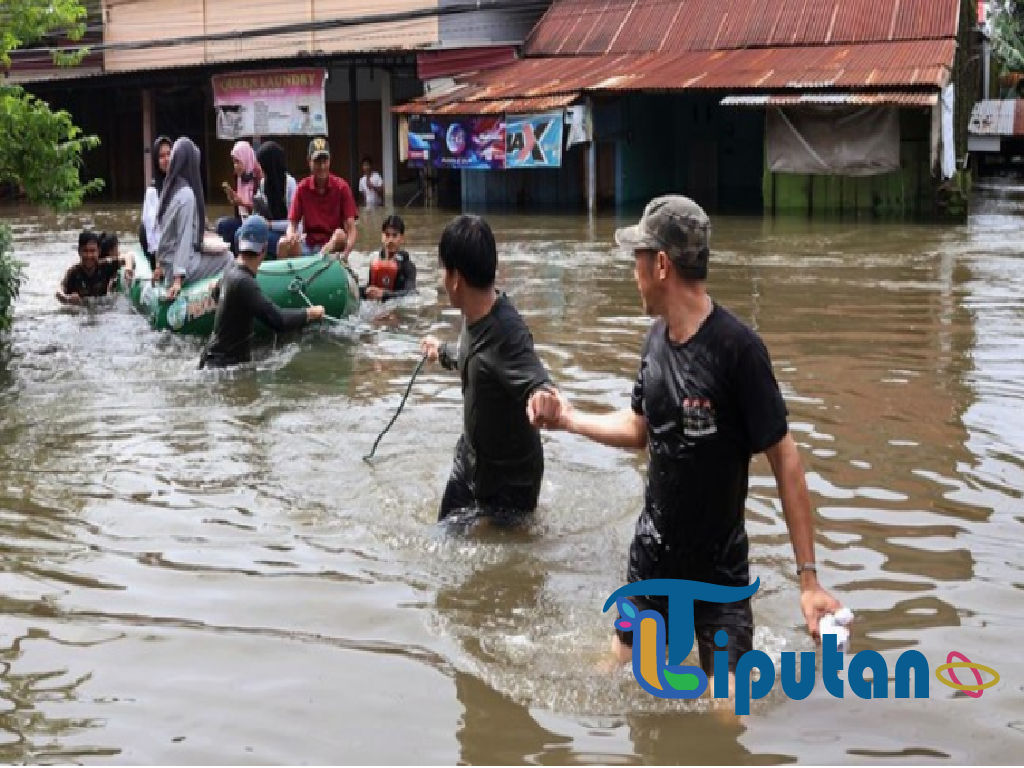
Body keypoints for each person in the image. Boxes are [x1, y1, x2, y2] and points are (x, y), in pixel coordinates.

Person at [529, 195, 842, 682]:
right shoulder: (655, 342)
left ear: (661, 265)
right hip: (651, 565)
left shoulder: (738, 350)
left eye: (637, 257)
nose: (631, 271)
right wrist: (569, 418)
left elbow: (786, 459)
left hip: (720, 580)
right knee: (616, 681)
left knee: (728, 710)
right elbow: (641, 428)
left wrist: (808, 580)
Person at [420, 215, 560, 524]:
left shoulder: (508, 332)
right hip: (469, 463)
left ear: (456, 278)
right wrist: (440, 351)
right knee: (441, 537)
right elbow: (474, 357)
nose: (442, 279)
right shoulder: (474, 314)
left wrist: (544, 396)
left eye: (443, 270)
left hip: (509, 486)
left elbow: (538, 381)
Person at [200, 215, 325, 369]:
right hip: (224, 366)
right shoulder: (245, 282)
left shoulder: (230, 270)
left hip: (212, 359)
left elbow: (216, 294)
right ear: (264, 248)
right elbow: (279, 321)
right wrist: (310, 313)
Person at [155, 137, 233, 301]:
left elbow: (165, 234)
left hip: (167, 263)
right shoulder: (187, 195)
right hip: (181, 266)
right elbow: (183, 237)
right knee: (229, 258)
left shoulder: (168, 189)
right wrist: (178, 278)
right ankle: (217, 297)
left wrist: (159, 265)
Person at [277, 138, 358, 261]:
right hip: (309, 244)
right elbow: (292, 224)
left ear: (330, 161)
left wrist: (346, 254)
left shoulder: (342, 187)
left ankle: (323, 257)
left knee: (340, 234)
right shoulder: (302, 188)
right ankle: (288, 272)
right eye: (317, 161)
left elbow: (351, 229)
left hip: (333, 246)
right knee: (283, 243)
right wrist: (291, 235)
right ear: (309, 161)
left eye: (325, 161)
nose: (322, 166)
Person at [251, 140, 297, 260]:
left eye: (262, 165)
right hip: (267, 229)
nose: (259, 169)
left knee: (258, 239)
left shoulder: (290, 184)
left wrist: (271, 225)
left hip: (287, 234)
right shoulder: (263, 183)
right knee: (241, 234)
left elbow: (295, 223)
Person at [215, 140, 262, 253]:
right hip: (242, 218)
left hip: (256, 221)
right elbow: (239, 206)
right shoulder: (239, 177)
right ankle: (227, 258)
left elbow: (261, 209)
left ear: (246, 159)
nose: (235, 166)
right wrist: (234, 199)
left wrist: (242, 202)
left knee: (238, 234)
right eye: (234, 162)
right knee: (221, 224)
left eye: (238, 162)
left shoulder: (259, 178)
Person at [56, 230, 126, 304]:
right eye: (85, 251)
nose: (89, 255)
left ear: (98, 251)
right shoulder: (73, 273)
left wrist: (128, 268)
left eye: (92, 251)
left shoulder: (105, 265)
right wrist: (68, 299)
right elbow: (59, 292)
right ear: (79, 251)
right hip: (80, 308)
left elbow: (127, 257)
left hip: (103, 307)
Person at [359, 215, 417, 302]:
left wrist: (384, 294)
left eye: (394, 235)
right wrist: (363, 291)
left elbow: (411, 293)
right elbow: (369, 288)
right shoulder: (375, 262)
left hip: (396, 304)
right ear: (382, 237)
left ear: (402, 238)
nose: (390, 240)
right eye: (387, 235)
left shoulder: (408, 266)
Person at [139, 135, 172, 269]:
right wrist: (158, 260)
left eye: (169, 154)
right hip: (162, 250)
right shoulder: (153, 191)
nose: (166, 159)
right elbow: (151, 229)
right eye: (161, 156)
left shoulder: (182, 184)